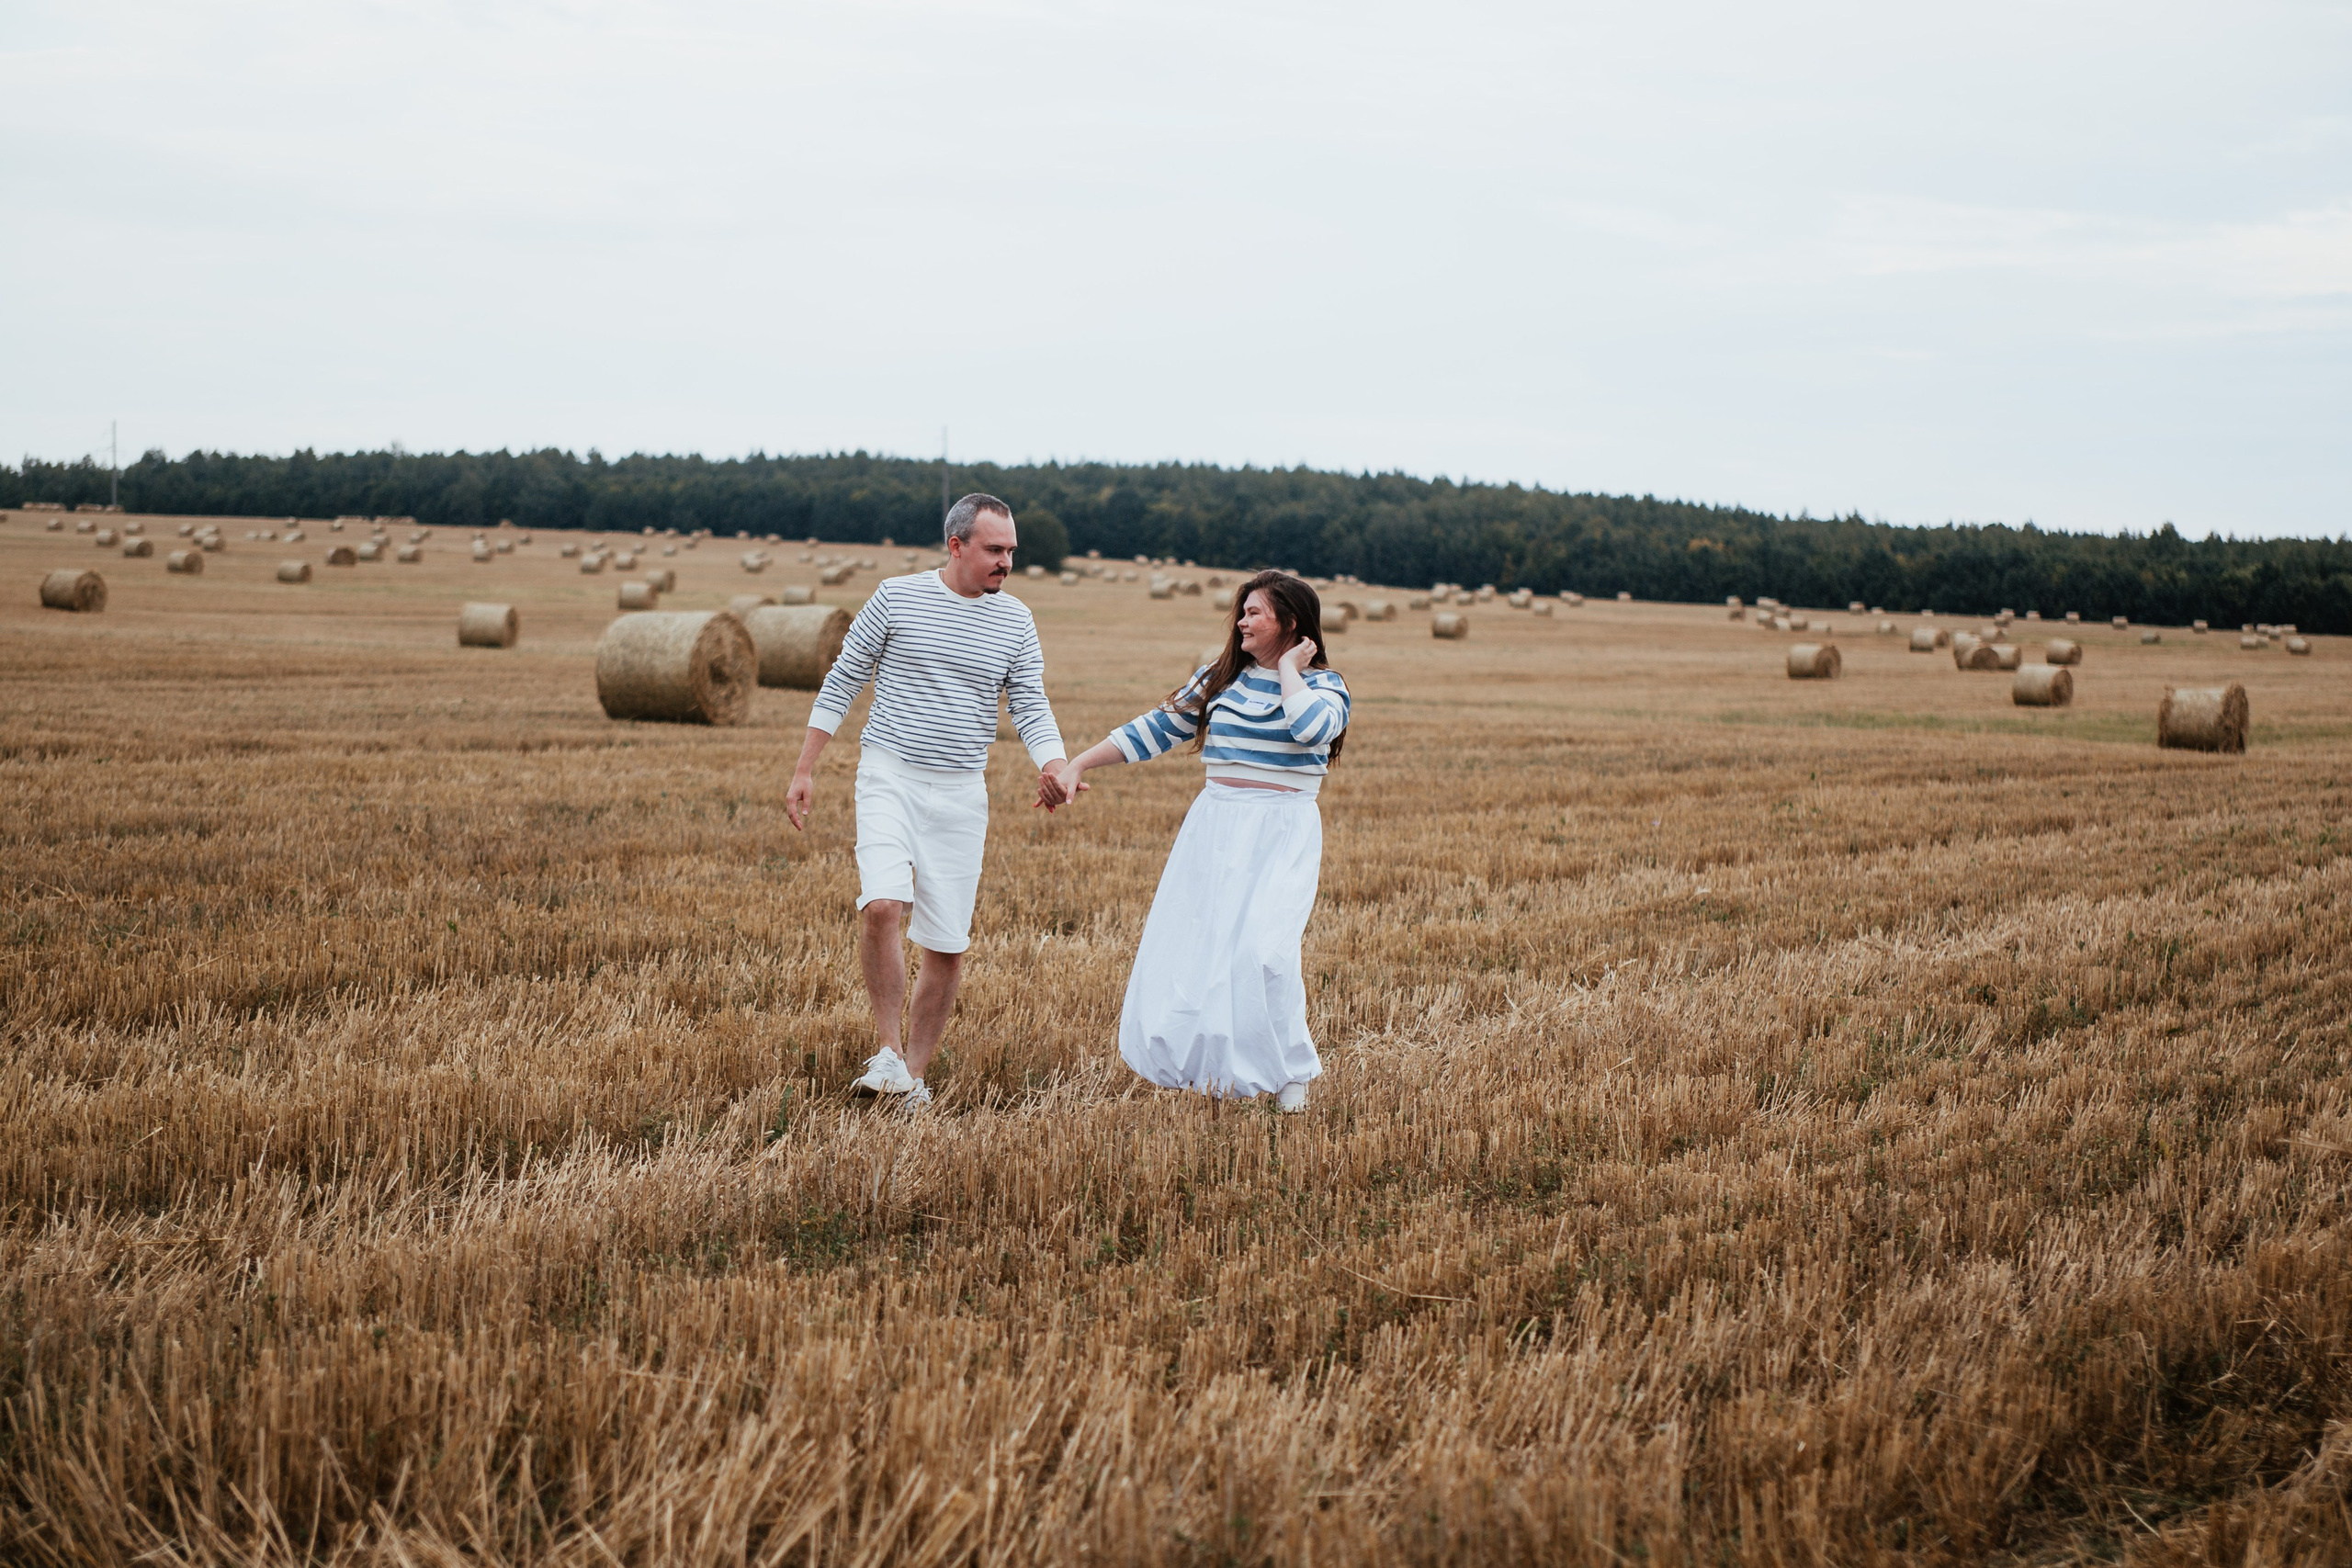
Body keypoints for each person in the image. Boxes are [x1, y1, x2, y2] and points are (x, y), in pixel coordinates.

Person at [786, 494, 1074, 1112]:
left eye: (1011, 551)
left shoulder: (1016, 621)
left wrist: (1054, 763)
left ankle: (912, 1078)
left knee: (946, 945)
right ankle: (887, 1052)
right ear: (957, 545)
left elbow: (1029, 702)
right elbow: (843, 679)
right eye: (996, 550)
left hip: (964, 791)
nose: (1007, 562)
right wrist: (805, 767)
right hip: (889, 773)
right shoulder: (895, 597)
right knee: (882, 905)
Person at [1045, 571, 1350, 1111]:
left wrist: (1287, 671)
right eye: (1242, 611)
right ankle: (1211, 1066)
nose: (1241, 622)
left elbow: (1312, 731)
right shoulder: (1220, 680)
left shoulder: (1325, 687)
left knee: (1267, 953)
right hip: (1216, 826)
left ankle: (1291, 1072)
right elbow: (1155, 728)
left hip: (1282, 830)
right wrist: (1079, 763)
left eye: (1255, 612)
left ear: (1291, 622)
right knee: (1206, 951)